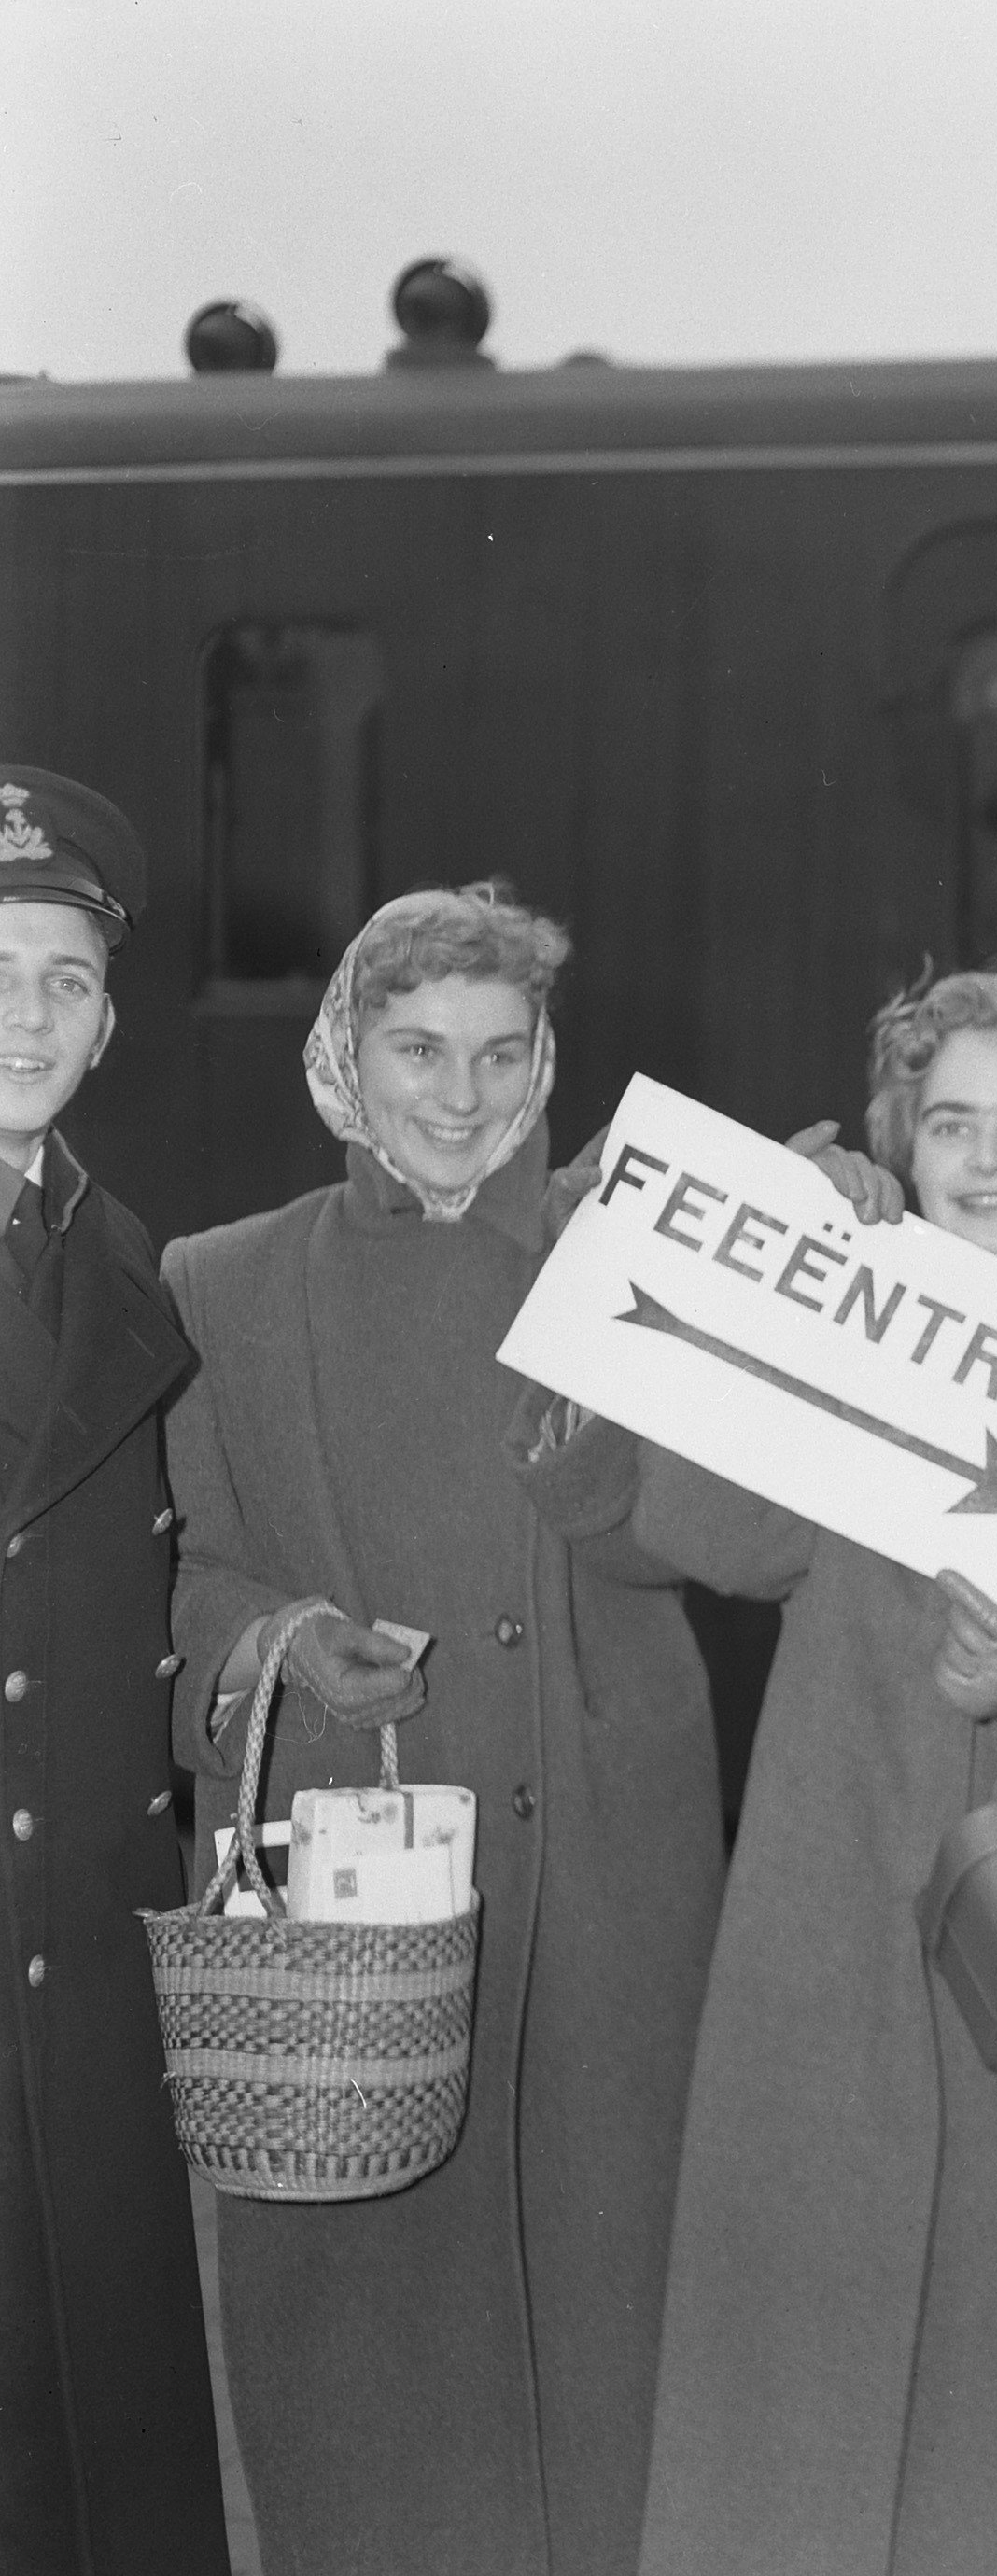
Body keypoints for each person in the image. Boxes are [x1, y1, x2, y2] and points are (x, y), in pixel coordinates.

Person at [520, 959, 997, 2576]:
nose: (991, 1156)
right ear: (904, 1146)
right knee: (787, 2439)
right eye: (951, 1122)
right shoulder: (858, 1324)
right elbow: (690, 1535)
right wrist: (723, 1253)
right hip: (827, 1954)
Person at [162, 882, 768, 2576]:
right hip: (362, 1871)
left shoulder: (625, 1259)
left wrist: (600, 1482)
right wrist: (282, 1644)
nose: (460, 1093)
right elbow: (194, 1571)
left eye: (501, 1054)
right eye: (416, 1048)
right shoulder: (225, 1284)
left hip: (604, 1858)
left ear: (547, 1060)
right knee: (374, 2317)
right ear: (345, 1050)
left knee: (609, 2294)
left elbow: (737, 1544)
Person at [0, 766, 231, 2575]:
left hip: (80, 1949)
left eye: (66, 979)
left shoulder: (123, 1255)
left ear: (111, 1017)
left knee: (95, 2447)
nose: (28, 1015)